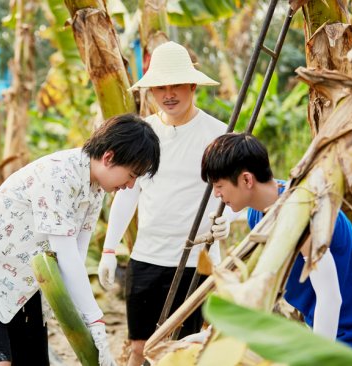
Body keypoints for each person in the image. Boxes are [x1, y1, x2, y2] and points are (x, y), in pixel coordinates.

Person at [0, 113, 160, 366]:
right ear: (109, 157)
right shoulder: (59, 175)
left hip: (25, 286)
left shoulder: (94, 190)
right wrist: (95, 319)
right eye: (132, 175)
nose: (130, 185)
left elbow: (77, 257)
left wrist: (89, 323)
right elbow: (65, 253)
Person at [96, 41, 233, 366]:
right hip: (148, 258)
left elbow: (231, 191)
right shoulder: (145, 134)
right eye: (160, 87)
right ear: (151, 91)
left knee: (189, 350)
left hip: (197, 260)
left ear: (192, 85)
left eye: (176, 86)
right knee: (140, 350)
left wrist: (227, 222)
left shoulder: (217, 134)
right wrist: (109, 249)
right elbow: (128, 193)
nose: (168, 94)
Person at [200, 132, 352, 358]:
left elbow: (330, 297)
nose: (217, 194)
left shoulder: (303, 213)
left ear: (247, 180)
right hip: (330, 331)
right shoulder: (258, 215)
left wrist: (317, 358)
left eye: (219, 186)